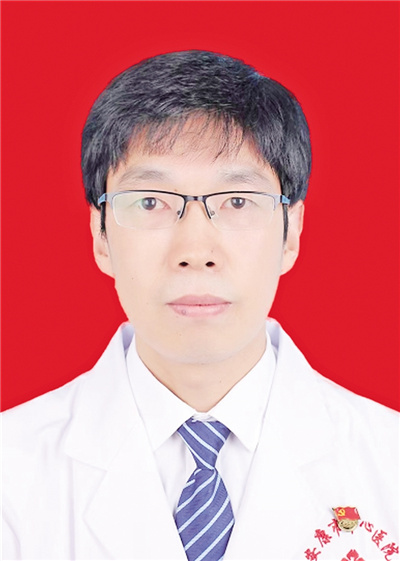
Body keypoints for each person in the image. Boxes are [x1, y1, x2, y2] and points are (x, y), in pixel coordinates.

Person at [2, 50, 398, 561]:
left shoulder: (388, 462)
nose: (195, 251)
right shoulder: (11, 471)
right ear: (100, 235)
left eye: (237, 201)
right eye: (150, 201)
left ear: (291, 233)